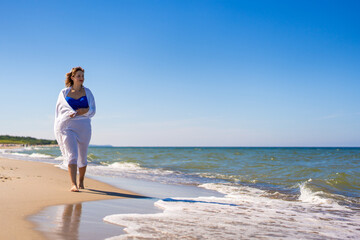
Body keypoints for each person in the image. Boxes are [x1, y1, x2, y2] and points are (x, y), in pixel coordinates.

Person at [54, 67, 96, 192]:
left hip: (84, 127)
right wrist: (69, 113)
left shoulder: (88, 92)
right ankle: (73, 184)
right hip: (68, 125)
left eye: (82, 76)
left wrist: (85, 111)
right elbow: (59, 109)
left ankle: (81, 181)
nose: (81, 78)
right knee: (72, 155)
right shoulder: (64, 92)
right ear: (72, 77)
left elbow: (93, 110)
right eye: (78, 76)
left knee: (82, 157)